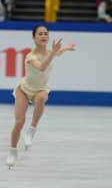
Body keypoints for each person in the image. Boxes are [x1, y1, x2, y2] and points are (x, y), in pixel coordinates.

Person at [6, 25, 76, 169]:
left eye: (46, 34)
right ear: (34, 38)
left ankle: (32, 128)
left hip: (40, 89)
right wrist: (54, 52)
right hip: (24, 90)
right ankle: (12, 151)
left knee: (41, 98)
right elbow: (42, 67)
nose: (44, 36)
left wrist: (67, 47)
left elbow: (59, 51)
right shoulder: (30, 56)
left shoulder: (52, 52)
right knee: (19, 123)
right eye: (40, 34)